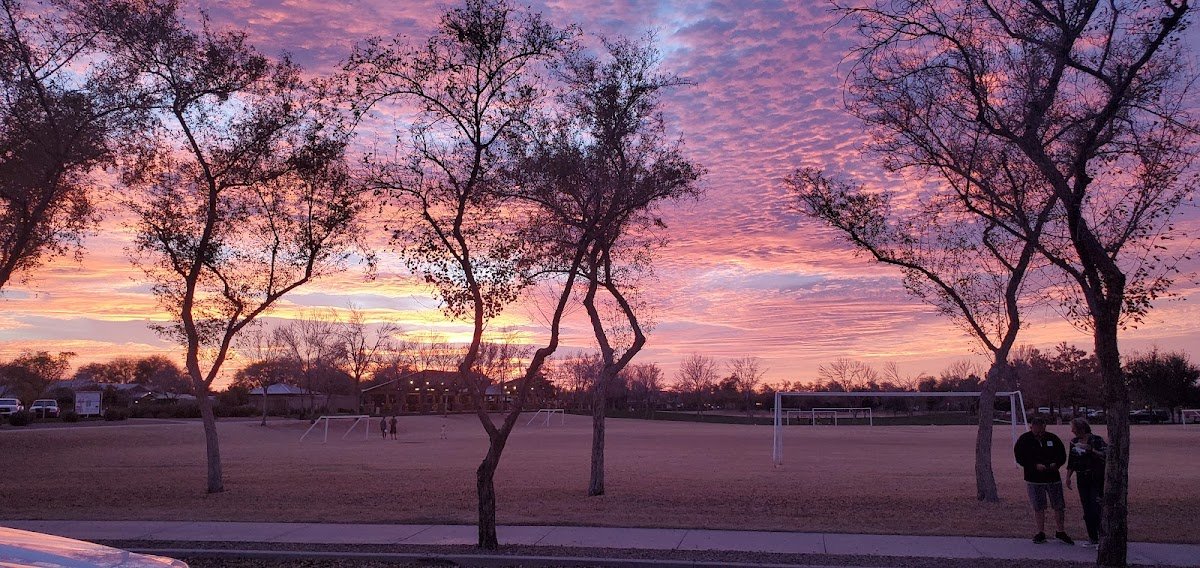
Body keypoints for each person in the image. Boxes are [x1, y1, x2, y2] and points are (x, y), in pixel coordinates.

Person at [1014, 415, 1074, 544]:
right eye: (1036, 430)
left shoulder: (1053, 438)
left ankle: (1060, 531)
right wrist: (1034, 466)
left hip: (1053, 478)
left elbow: (1062, 455)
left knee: (1058, 505)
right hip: (1034, 479)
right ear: (1031, 427)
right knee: (1038, 506)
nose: (1039, 433)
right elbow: (1020, 457)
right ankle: (1041, 532)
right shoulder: (1024, 440)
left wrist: (1055, 464)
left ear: (1045, 427)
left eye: (1041, 430)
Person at [1065, 417, 1107, 547]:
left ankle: (1103, 538)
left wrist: (1090, 450)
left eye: (1074, 428)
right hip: (1081, 478)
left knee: (1096, 507)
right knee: (1087, 508)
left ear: (1081, 428)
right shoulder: (1074, 442)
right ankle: (1092, 538)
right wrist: (1068, 477)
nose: (1072, 431)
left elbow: (1105, 455)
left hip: (1095, 477)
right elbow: (1072, 461)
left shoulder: (1096, 440)